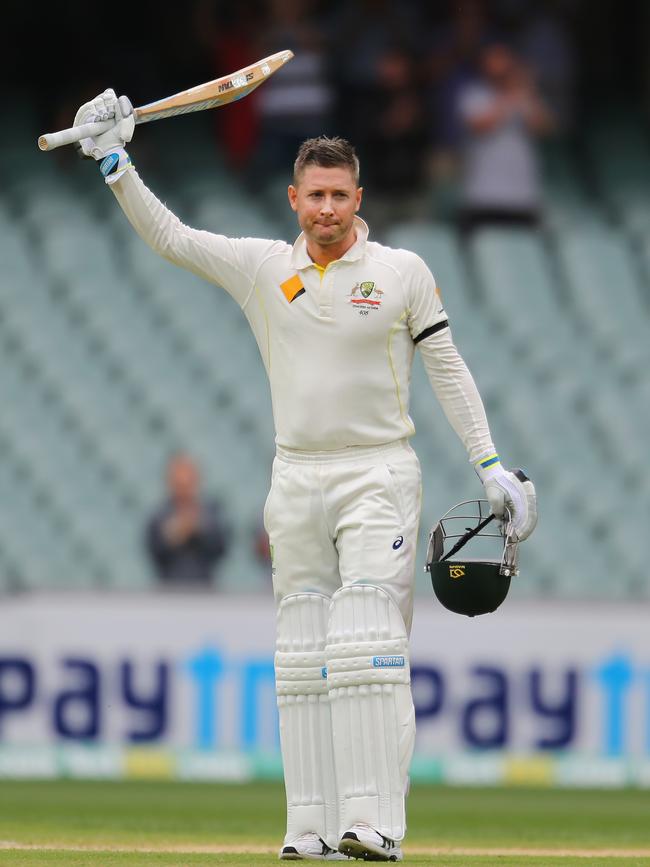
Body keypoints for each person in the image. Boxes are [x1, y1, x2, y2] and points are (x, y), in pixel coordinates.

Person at [72, 89, 537, 862]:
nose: (326, 209)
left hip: (378, 471)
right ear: (294, 198)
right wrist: (116, 163)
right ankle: (311, 827)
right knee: (300, 654)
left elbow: (448, 369)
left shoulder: (401, 272)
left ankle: (375, 821)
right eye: (314, 195)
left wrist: (489, 463)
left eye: (339, 195)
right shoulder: (262, 268)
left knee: (366, 644)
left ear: (359, 197)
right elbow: (173, 239)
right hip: (295, 475)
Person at [456, 42, 554, 233]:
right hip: (483, 197)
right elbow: (480, 126)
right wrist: (509, 96)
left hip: (522, 198)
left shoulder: (525, 95)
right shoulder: (474, 93)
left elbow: (544, 127)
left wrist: (527, 93)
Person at [146, 452, 229, 588]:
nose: (184, 489)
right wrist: (174, 534)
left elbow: (221, 546)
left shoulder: (210, 512)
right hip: (169, 590)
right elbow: (155, 549)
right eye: (179, 483)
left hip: (204, 590)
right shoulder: (159, 515)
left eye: (187, 482)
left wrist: (198, 529)